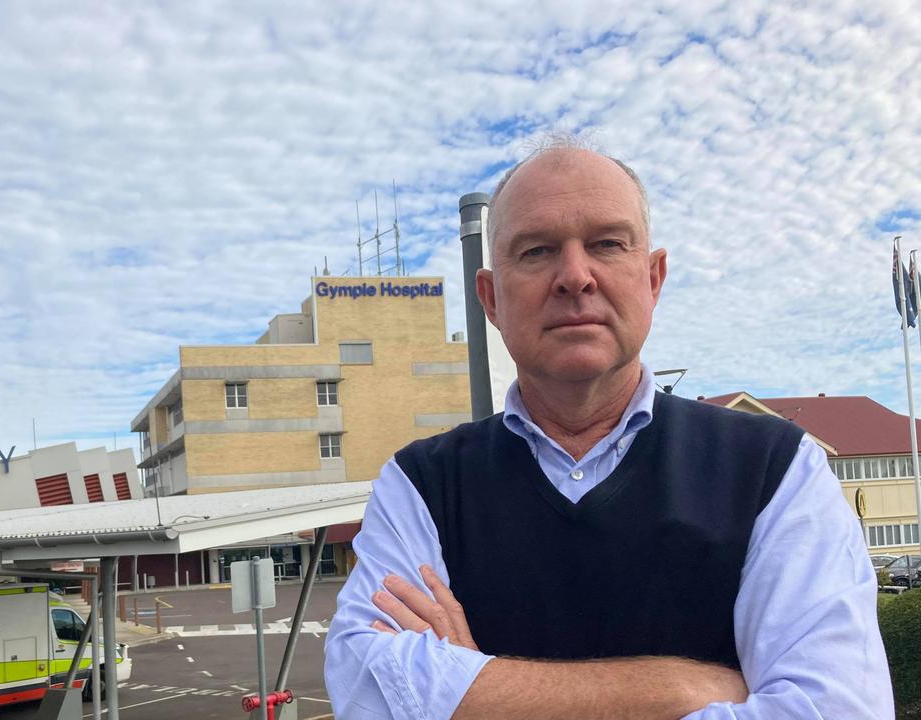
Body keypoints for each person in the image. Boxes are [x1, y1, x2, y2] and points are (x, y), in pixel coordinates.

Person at [324, 140, 893, 719]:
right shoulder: (421, 484)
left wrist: (474, 691)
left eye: (606, 244)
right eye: (537, 250)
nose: (575, 276)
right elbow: (368, 694)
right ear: (491, 299)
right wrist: (685, 691)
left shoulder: (775, 469)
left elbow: (841, 708)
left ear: (654, 279)